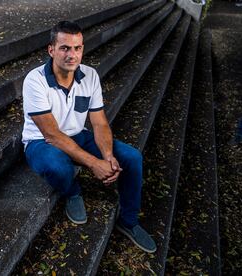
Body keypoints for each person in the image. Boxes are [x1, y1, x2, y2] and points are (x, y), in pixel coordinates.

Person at [21, 21, 156, 253]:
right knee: (57, 166)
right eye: (65, 48)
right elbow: (52, 134)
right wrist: (94, 163)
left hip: (77, 136)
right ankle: (73, 192)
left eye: (77, 48)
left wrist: (108, 156)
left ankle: (129, 221)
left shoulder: (90, 75)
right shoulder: (35, 80)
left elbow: (99, 122)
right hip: (40, 141)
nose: (72, 55)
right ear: (51, 50)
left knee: (131, 157)